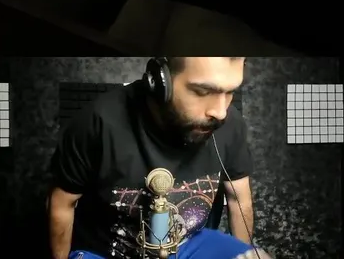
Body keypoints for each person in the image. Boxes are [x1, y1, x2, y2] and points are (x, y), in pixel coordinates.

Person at [46, 57, 274, 259]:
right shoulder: (97, 122)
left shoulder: (230, 123)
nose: (220, 112)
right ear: (159, 81)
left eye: (230, 91)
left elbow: (238, 200)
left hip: (189, 245)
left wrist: (242, 254)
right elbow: (62, 204)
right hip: (106, 251)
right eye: (203, 91)